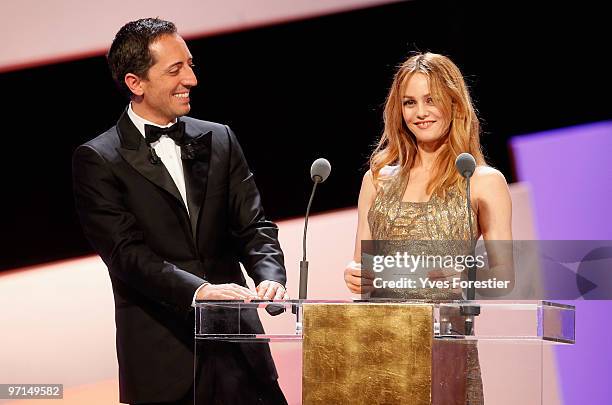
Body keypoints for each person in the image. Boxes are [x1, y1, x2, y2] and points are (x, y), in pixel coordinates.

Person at [72, 18, 288, 405]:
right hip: (162, 361)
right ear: (135, 83)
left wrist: (269, 276)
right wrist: (201, 292)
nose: (191, 79)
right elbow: (126, 256)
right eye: (175, 69)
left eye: (190, 65)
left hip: (239, 353)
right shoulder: (97, 159)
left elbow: (253, 225)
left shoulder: (218, 137)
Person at [343, 52, 514, 404]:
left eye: (431, 100)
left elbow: (506, 274)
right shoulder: (377, 179)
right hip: (381, 339)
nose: (420, 113)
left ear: (455, 103)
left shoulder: (482, 181)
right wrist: (356, 274)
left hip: (446, 344)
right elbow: (364, 266)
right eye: (410, 102)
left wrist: (465, 275)